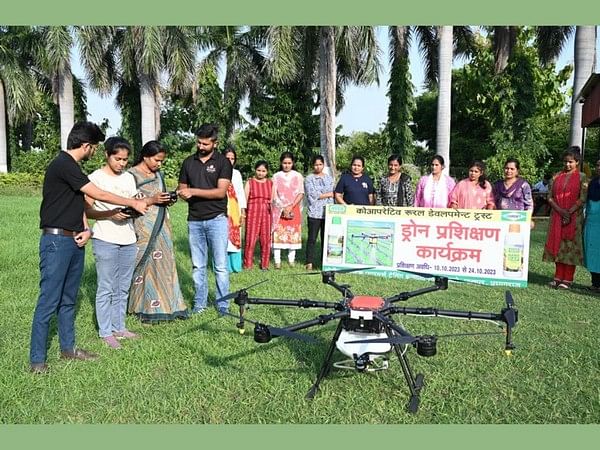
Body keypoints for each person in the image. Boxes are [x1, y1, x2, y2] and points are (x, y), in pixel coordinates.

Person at [29, 121, 148, 374]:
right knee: (49, 300)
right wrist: (131, 202)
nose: (94, 152)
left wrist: (85, 229)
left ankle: (68, 349)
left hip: (74, 240)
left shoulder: (73, 168)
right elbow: (98, 193)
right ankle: (37, 360)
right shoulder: (64, 164)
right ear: (86, 146)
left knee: (69, 299)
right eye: (93, 148)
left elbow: (79, 206)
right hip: (56, 242)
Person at [85, 137, 139, 349]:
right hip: (105, 238)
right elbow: (87, 210)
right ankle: (105, 331)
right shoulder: (94, 178)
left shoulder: (128, 178)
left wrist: (134, 209)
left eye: (125, 160)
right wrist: (110, 214)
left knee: (123, 287)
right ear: (107, 155)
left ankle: (120, 327)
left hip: (128, 238)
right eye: (117, 159)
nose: (122, 164)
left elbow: (134, 203)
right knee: (106, 286)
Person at [129, 140, 188, 323]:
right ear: (145, 156)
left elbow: (158, 196)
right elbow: (128, 200)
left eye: (161, 161)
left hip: (162, 224)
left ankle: (169, 305)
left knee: (164, 263)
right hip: (143, 225)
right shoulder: (131, 175)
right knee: (144, 264)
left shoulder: (158, 175)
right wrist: (152, 199)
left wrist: (166, 199)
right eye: (156, 160)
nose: (159, 164)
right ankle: (141, 306)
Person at [178, 124, 232, 315]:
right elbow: (182, 187)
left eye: (205, 144)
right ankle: (199, 304)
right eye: (199, 142)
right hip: (194, 220)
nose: (201, 146)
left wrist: (192, 191)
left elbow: (220, 192)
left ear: (215, 143)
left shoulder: (223, 163)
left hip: (217, 219)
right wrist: (182, 192)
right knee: (198, 266)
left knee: (220, 266)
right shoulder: (188, 162)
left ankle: (223, 304)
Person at [543, 149, 588, 290]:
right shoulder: (556, 176)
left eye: (571, 162)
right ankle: (557, 277)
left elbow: (583, 198)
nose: (567, 164)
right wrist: (561, 210)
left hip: (574, 217)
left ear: (577, 162)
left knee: (570, 248)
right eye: (565, 161)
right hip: (557, 215)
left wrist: (569, 212)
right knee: (558, 245)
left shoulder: (582, 177)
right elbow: (549, 197)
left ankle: (567, 279)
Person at [271, 151, 304, 269]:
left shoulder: (298, 176)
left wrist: (291, 206)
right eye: (284, 163)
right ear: (281, 163)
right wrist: (282, 207)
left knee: (293, 235)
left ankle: (291, 260)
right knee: (278, 235)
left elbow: (301, 193)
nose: (287, 165)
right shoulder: (276, 176)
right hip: (279, 210)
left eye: (289, 163)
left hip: (294, 209)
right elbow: (273, 195)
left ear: (293, 163)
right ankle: (277, 261)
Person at [304, 155, 334, 270]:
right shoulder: (309, 179)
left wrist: (323, 195)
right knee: (312, 238)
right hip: (314, 213)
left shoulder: (328, 178)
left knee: (325, 238)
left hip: (327, 212)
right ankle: (309, 262)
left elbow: (332, 194)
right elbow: (312, 195)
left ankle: (324, 261)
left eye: (320, 164)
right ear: (313, 165)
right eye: (316, 164)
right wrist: (326, 194)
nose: (318, 167)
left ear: (323, 165)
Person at [243, 160, 273, 270]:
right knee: (250, 238)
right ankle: (247, 264)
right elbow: (245, 199)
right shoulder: (250, 182)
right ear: (255, 170)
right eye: (259, 170)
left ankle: (265, 264)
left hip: (266, 213)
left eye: (263, 171)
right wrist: (243, 213)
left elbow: (273, 199)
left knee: (265, 239)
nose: (261, 173)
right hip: (253, 212)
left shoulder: (270, 183)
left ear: (267, 172)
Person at [223, 147, 246, 273]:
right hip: (222, 208)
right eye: (228, 158)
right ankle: (224, 266)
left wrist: (243, 212)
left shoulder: (236, 173)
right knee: (223, 237)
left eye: (232, 159)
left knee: (235, 236)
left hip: (235, 209)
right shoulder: (218, 171)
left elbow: (240, 193)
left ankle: (235, 266)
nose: (230, 161)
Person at [584, 159, 600, 293]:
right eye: (598, 165)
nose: (598, 168)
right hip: (591, 223)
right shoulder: (593, 183)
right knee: (592, 252)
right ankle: (595, 283)